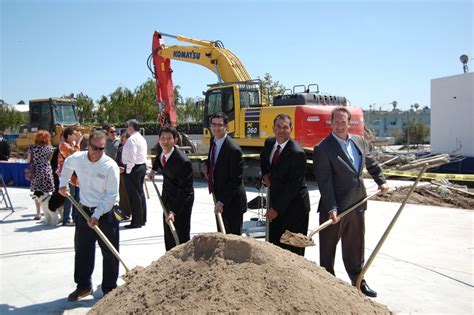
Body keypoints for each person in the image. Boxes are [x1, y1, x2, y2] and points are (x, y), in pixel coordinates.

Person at [313, 106, 389, 298]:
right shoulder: (323, 148)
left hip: (357, 205)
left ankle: (358, 280)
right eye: (336, 122)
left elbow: (371, 162)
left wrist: (381, 181)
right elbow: (325, 181)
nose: (340, 125)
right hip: (335, 209)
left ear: (349, 123)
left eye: (343, 122)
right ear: (331, 123)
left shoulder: (358, 141)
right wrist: (331, 208)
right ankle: (327, 283)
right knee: (328, 250)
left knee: (355, 246)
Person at [58, 131, 120, 301]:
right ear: (88, 146)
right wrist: (63, 184)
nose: (99, 152)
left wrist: (97, 215)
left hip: (106, 213)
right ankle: (84, 286)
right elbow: (66, 166)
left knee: (110, 252)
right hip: (83, 210)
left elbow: (111, 195)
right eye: (95, 148)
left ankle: (109, 288)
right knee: (82, 250)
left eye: (102, 148)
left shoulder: (110, 166)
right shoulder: (77, 158)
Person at [260, 114, 310, 256]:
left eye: (285, 127)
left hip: (295, 208)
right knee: (275, 247)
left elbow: (293, 186)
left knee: (293, 250)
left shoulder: (297, 153)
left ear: (291, 129)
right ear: (273, 128)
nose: (281, 130)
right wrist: (265, 175)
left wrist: (276, 209)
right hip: (277, 202)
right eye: (278, 126)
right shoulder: (269, 143)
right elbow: (263, 158)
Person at [148, 125, 194, 250]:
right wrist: (153, 170)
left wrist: (173, 211)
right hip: (168, 194)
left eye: (169, 138)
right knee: (168, 229)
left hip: (182, 200)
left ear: (176, 141)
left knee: (180, 231)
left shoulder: (183, 162)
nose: (165, 141)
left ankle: (183, 260)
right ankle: (169, 258)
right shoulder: (161, 148)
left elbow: (184, 190)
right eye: (163, 138)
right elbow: (159, 158)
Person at [204, 112, 246, 235]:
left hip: (232, 202)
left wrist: (221, 202)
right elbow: (211, 160)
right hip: (219, 197)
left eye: (220, 125)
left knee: (233, 242)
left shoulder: (233, 150)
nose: (216, 128)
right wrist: (206, 166)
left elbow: (235, 181)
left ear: (226, 126)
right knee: (222, 237)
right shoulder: (214, 141)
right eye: (214, 125)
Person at [121, 119, 148, 229]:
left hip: (134, 168)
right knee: (140, 194)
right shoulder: (141, 138)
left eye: (128, 126)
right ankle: (142, 219)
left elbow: (132, 156)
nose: (127, 128)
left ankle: (136, 221)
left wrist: (128, 170)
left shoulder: (132, 139)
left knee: (134, 196)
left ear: (131, 127)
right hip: (140, 166)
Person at [27, 130, 55, 220]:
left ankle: (38, 213)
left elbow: (28, 160)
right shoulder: (50, 148)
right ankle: (46, 212)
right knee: (47, 193)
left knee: (37, 193)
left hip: (36, 171)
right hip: (46, 171)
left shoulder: (32, 148)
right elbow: (49, 160)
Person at [57, 127, 81, 226]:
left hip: (75, 175)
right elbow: (75, 154)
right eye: (74, 134)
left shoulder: (72, 144)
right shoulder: (63, 145)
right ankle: (67, 219)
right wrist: (79, 142)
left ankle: (76, 217)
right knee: (69, 196)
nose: (76, 136)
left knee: (77, 197)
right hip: (67, 175)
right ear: (69, 135)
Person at [115, 129, 131, 219]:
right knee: (122, 195)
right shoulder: (121, 148)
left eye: (123, 137)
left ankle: (127, 213)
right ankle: (124, 214)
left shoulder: (128, 148)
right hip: (120, 173)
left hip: (127, 173)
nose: (121, 138)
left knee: (126, 195)